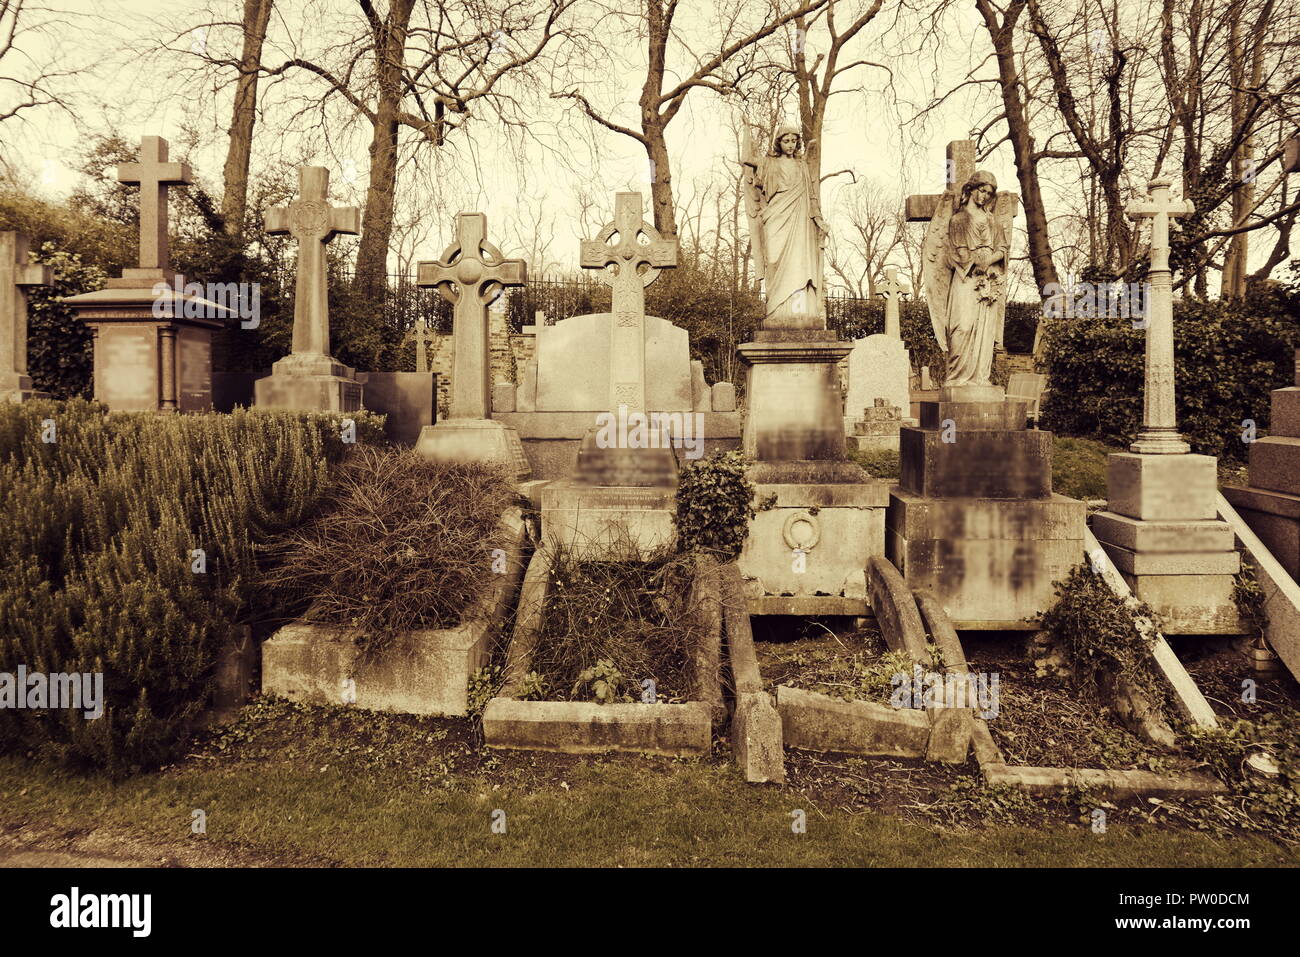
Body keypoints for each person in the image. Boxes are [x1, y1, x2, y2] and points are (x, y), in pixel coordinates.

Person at [746, 123, 827, 327]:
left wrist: (819, 219)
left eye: (793, 141)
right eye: (786, 140)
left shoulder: (802, 166)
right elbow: (745, 159)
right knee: (773, 259)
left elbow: (811, 195)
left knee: (800, 260)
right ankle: (775, 310)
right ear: (778, 143)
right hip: (776, 215)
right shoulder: (768, 163)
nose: (790, 145)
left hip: (800, 217)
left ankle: (800, 310)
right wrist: (746, 133)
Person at [937, 170, 1008, 388]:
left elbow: (1003, 248)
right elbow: (958, 251)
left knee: (984, 331)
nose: (984, 196)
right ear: (971, 189)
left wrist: (990, 260)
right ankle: (957, 377)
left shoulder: (992, 221)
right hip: (966, 278)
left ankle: (980, 378)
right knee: (963, 326)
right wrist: (977, 262)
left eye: (988, 193)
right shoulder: (958, 220)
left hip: (988, 280)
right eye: (981, 190)